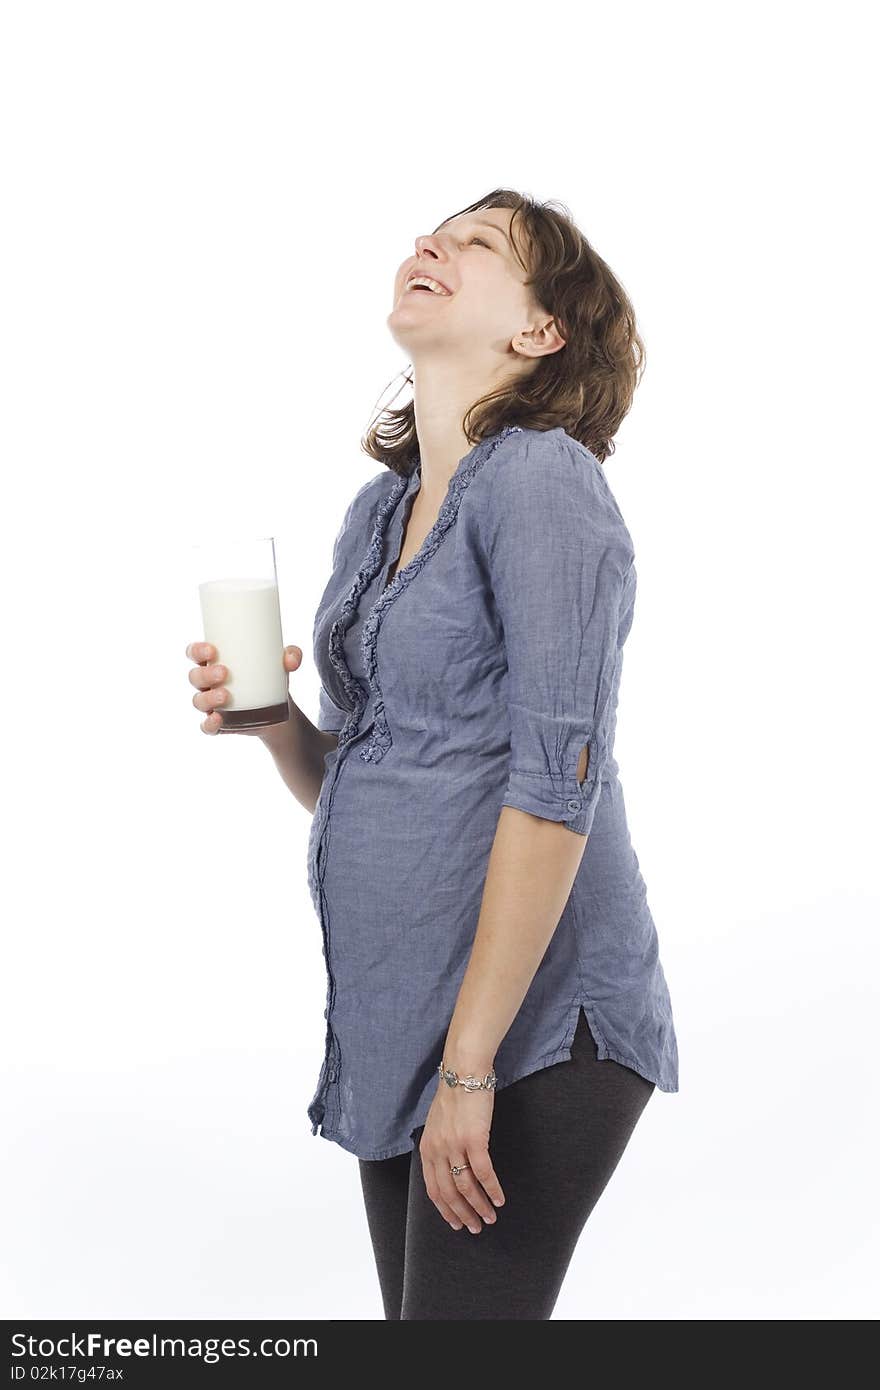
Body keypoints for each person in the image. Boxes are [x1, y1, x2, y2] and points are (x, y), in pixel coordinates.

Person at [185, 188, 679, 1320]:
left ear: (538, 332)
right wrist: (276, 729)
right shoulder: (383, 509)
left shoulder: (544, 482)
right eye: (428, 235)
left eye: (475, 247)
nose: (428, 247)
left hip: (533, 1032)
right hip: (414, 1017)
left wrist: (470, 1069)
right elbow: (373, 774)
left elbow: (558, 790)